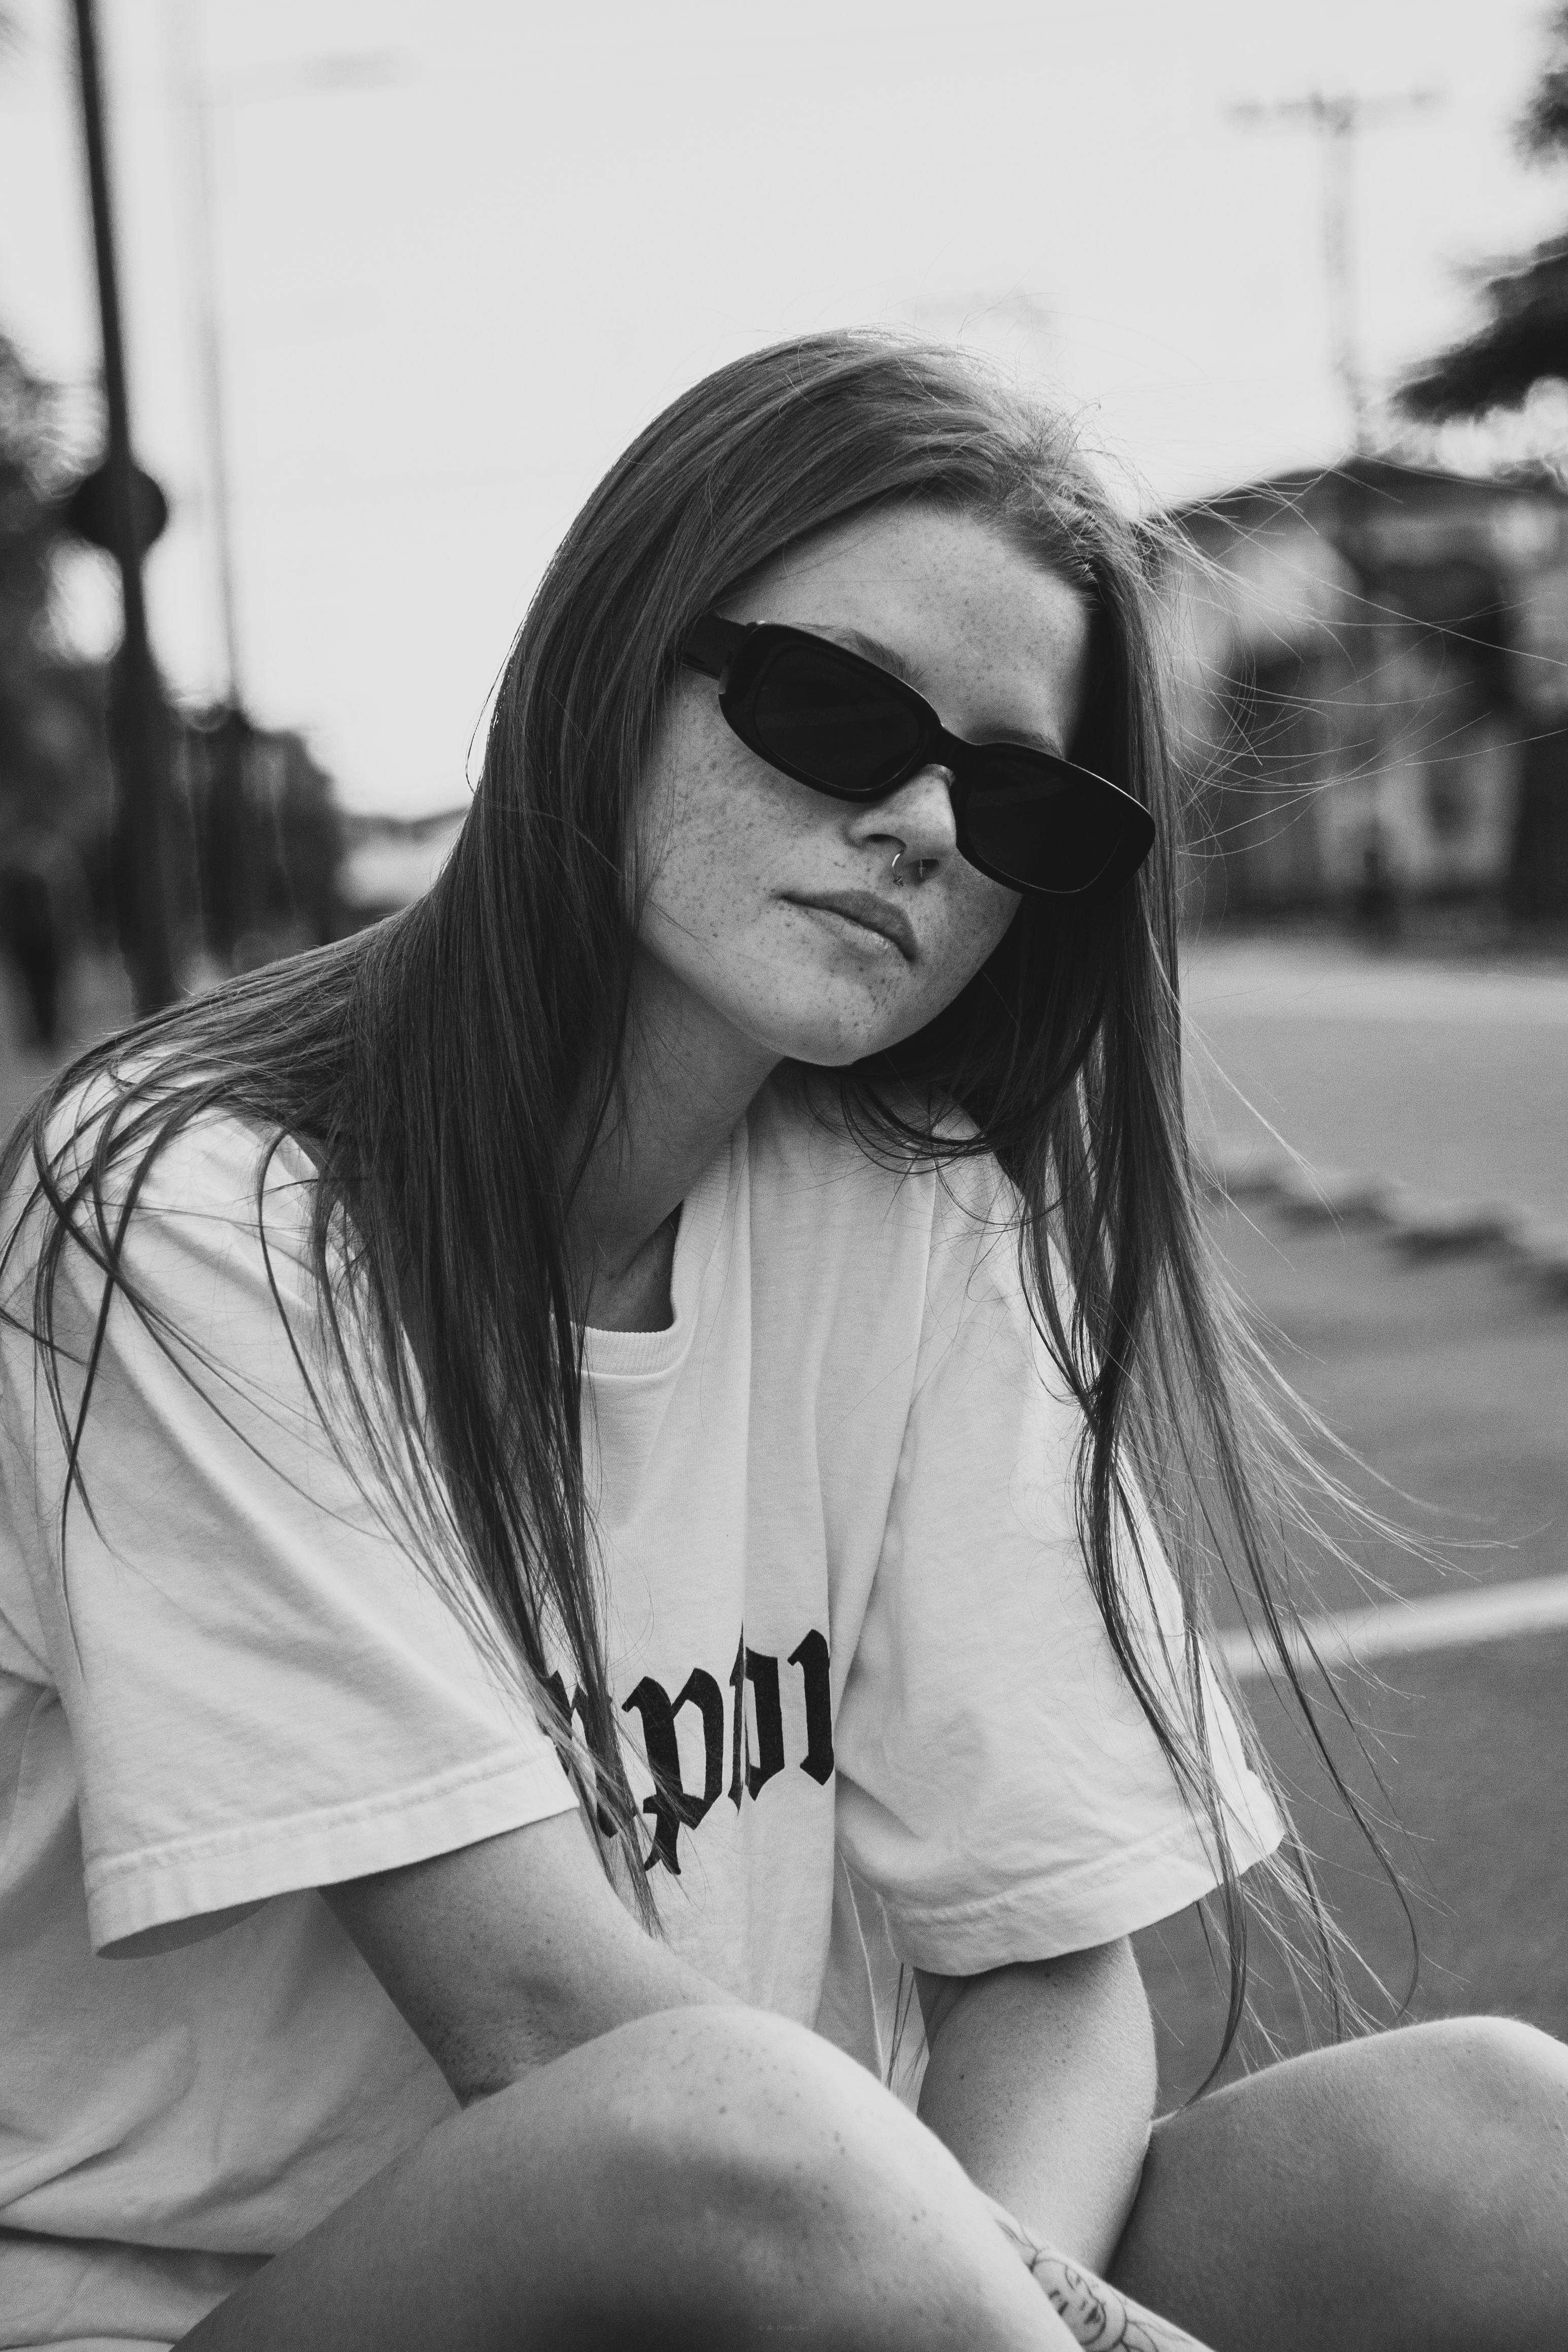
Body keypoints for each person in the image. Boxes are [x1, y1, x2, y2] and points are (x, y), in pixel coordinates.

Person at [0, 333, 1563, 2352]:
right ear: (606, 667)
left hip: (813, 2283)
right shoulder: (190, 1214)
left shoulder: (913, 1212)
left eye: (1019, 802)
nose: (923, 824)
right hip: (228, 2309)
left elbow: (1047, 1971)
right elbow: (553, 2034)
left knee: (1484, 2139)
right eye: (831, 713)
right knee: (723, 2120)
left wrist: (978, 2300)